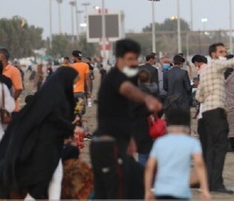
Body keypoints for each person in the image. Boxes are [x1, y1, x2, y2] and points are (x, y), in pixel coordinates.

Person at [90, 39, 162, 199]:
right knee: (115, 193)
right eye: (130, 59)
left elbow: (125, 112)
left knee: (128, 185)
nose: (134, 63)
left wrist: (130, 139)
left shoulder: (129, 77)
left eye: (136, 59)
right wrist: (147, 99)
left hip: (119, 144)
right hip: (107, 147)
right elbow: (127, 90)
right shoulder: (115, 77)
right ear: (119, 59)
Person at [0, 67, 79, 200]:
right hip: (46, 146)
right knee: (47, 179)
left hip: (47, 145)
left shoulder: (49, 95)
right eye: (73, 82)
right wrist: (71, 129)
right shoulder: (56, 98)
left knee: (53, 177)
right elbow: (54, 118)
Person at [194, 43, 234, 194]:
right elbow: (230, 62)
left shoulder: (205, 71)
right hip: (216, 112)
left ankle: (208, 182)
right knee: (220, 148)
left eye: (225, 51)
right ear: (213, 54)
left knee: (209, 150)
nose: (224, 54)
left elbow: (198, 96)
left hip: (205, 114)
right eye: (221, 52)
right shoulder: (216, 64)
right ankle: (216, 183)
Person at [144, 108, 209, 201]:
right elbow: (199, 164)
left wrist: (147, 191)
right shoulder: (191, 143)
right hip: (181, 190)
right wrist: (205, 189)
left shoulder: (160, 142)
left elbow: (149, 166)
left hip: (161, 189)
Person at [70, 51, 91, 115]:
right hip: (80, 92)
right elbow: (87, 79)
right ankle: (79, 120)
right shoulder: (85, 65)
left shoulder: (71, 66)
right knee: (81, 110)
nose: (73, 58)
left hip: (72, 92)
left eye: (73, 57)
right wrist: (89, 90)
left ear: (76, 57)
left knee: (73, 109)